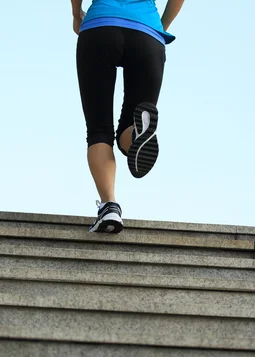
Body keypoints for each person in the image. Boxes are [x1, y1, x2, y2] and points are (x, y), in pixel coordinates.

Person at [72, 0, 184, 233]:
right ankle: (137, 133)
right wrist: (160, 24)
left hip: (99, 28)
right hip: (148, 34)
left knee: (99, 131)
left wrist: (76, 14)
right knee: (131, 126)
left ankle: (109, 206)